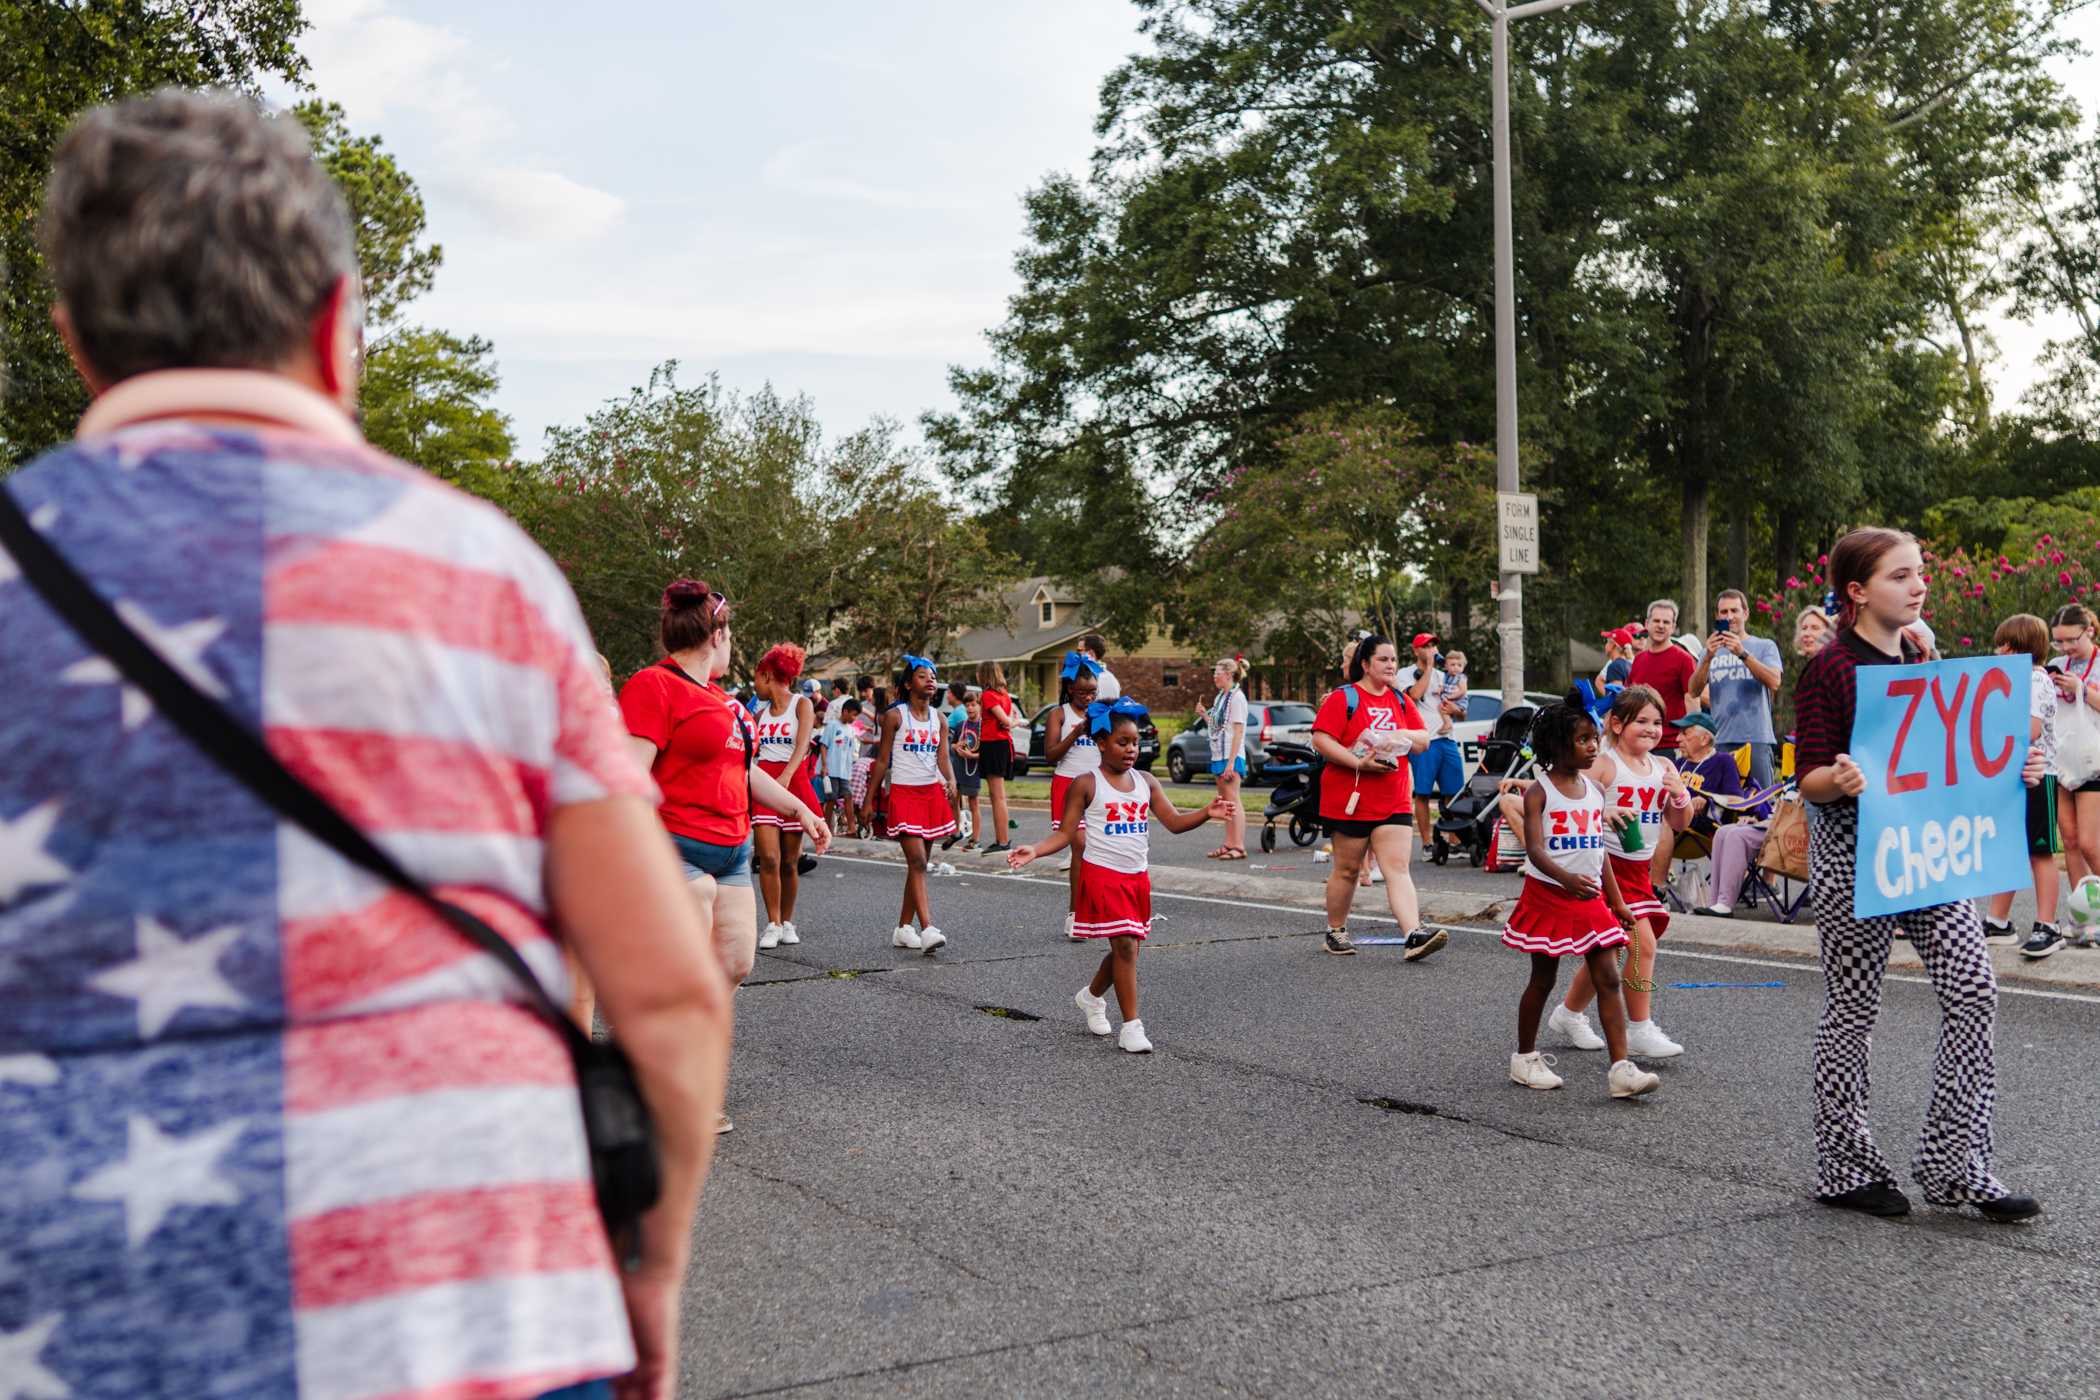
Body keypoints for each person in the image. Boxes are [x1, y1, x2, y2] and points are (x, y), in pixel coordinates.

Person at [0, 90, 732, 1400]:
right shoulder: (488, 575)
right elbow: (669, 995)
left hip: (77, 1317)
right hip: (473, 1303)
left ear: (75, 340)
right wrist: (645, 1272)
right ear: (338, 326)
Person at [1794, 526, 2041, 1222]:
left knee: (1975, 990)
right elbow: (1807, 776)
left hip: (1931, 852)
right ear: (1857, 591)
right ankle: (1845, 1167)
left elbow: (1953, 761)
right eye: (1900, 575)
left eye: (1919, 573)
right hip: (1854, 854)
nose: (1918, 584)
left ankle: (1956, 1165)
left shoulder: (1922, 656)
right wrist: (1836, 779)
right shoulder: (1831, 668)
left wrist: (2012, 769)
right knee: (1853, 1009)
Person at [622, 583, 830, 1135]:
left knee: (735, 962)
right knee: (691, 950)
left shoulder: (730, 705)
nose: (732, 643)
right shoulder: (653, 686)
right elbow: (628, 773)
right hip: (673, 845)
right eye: (730, 632)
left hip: (732, 850)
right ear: (715, 636)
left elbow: (747, 773)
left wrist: (801, 811)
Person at [1009, 700, 1234, 1052]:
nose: (1132, 749)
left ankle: (1091, 995)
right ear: (1101, 743)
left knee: (1126, 951)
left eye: (1136, 742)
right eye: (1122, 742)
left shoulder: (1146, 781)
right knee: (1126, 946)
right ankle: (1132, 1026)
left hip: (1136, 877)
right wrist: (1035, 850)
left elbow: (1174, 823)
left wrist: (1207, 811)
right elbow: (1067, 834)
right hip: (1102, 875)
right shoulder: (1086, 783)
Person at [1502, 695, 1662, 1100]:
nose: (1593, 746)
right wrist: (1565, 878)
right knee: (1543, 978)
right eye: (1583, 740)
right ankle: (1524, 1057)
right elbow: (1535, 849)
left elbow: (1600, 851)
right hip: (1550, 894)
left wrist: (1618, 901)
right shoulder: (1539, 792)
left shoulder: (1593, 788)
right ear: (1556, 746)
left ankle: (1621, 1068)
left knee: (1608, 976)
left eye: (1594, 738)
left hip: (1590, 897)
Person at [1548, 687, 1693, 1060]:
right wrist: (1603, 815)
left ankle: (1568, 1014)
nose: (1651, 729)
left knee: (1609, 951)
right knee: (1641, 943)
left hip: (1638, 869)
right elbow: (1570, 805)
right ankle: (1641, 1028)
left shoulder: (1664, 767)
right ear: (1615, 723)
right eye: (1641, 721)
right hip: (1606, 868)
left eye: (1657, 722)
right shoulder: (1606, 764)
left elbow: (1678, 822)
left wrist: (1680, 797)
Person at [1308, 634, 1446, 958]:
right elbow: (1320, 740)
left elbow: (1423, 739)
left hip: (1394, 796)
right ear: (1366, 664)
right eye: (1383, 659)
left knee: (1398, 867)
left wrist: (1396, 735)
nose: (1391, 665)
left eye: (1394, 660)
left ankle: (1413, 934)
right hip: (1351, 797)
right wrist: (1359, 762)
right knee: (1347, 870)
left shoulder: (1399, 700)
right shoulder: (1344, 698)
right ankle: (1336, 930)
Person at [1976, 616, 2064, 956]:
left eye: (2004, 645)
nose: (1998, 651)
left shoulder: (2034, 680)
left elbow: (2029, 729)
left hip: (2038, 774)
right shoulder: (2012, 680)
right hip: (2013, 774)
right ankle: (1998, 921)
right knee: (2009, 847)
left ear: (2017, 648)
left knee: (2040, 851)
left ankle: (2048, 924)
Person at [869, 656, 960, 952]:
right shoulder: (896, 716)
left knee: (916, 866)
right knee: (919, 862)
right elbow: (882, 760)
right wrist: (868, 800)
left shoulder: (940, 719)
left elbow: (943, 758)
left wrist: (952, 781)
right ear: (909, 684)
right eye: (923, 676)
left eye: (933, 676)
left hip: (931, 794)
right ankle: (928, 928)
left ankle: (903, 928)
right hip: (904, 794)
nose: (930, 680)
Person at [751, 644, 824, 951]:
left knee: (790, 862)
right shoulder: (758, 713)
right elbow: (752, 753)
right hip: (765, 783)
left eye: (756, 678)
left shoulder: (802, 704)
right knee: (768, 858)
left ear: (768, 675)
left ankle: (788, 921)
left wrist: (786, 776)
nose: (755, 685)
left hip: (794, 782)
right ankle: (773, 922)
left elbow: (803, 745)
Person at [1690, 589, 1785, 790]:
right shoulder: (1709, 650)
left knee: (1760, 803)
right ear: (1717, 616)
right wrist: (1707, 657)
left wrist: (1742, 653)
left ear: (1746, 614)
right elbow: (1694, 691)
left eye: (1735, 610)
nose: (1729, 617)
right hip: (1720, 740)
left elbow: (1775, 681)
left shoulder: (1764, 646)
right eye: (1723, 612)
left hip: (1756, 738)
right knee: (1720, 805)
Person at [1045, 652, 1104, 931]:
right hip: (1068, 786)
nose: (1089, 698)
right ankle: (1075, 914)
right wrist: (1076, 733)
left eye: (1093, 692)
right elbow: (1050, 755)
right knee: (1080, 846)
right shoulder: (1059, 714)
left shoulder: (1101, 714)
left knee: (1096, 850)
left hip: (1097, 787)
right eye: (1083, 692)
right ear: (1070, 689)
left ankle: (1091, 908)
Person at [2048, 603, 2100, 906]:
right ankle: (2085, 909)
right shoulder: (2058, 663)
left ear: (2089, 631)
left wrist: (2081, 689)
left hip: (2092, 758)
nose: (2066, 648)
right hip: (2063, 757)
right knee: (2068, 839)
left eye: (2072, 640)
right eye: (2060, 641)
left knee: (2090, 843)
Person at [1402, 634, 1467, 855]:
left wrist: (1455, 710)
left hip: (1447, 740)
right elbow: (1414, 695)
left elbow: (1463, 713)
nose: (1431, 649)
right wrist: (1429, 667)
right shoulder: (1405, 674)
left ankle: (1454, 840)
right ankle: (1428, 843)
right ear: (1416, 650)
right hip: (1423, 740)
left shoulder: (1446, 675)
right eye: (1426, 646)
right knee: (1423, 793)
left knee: (1454, 792)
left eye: (1434, 645)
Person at [1628, 599, 1696, 751]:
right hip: (1639, 744)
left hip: (1671, 745)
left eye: (1666, 622)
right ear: (1647, 624)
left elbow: (1692, 700)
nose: (1660, 625)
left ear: (1673, 627)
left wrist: (1691, 739)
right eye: (1656, 620)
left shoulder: (1684, 659)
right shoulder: (1639, 659)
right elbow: (1629, 700)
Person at [1205, 656, 1251, 861]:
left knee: (1233, 800)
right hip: (1218, 754)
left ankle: (1239, 846)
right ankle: (1228, 843)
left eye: (1218, 673)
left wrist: (1232, 762)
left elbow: (1238, 731)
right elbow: (1217, 726)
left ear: (1229, 675)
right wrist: (1204, 715)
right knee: (1224, 802)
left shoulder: (1237, 697)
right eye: (1214, 673)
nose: (1215, 676)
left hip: (1231, 756)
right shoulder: (1219, 697)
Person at [974, 660, 1021, 853]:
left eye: (978, 673)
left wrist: (1011, 723)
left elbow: (1006, 721)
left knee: (997, 796)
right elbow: (1008, 720)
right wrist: (1011, 722)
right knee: (997, 796)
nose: (977, 676)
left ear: (984, 675)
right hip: (1000, 744)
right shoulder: (1005, 696)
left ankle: (1002, 841)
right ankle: (1001, 839)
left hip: (993, 745)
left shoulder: (988, 695)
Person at [820, 697, 863, 833]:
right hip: (832, 769)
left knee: (848, 796)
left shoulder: (851, 730)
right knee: (831, 799)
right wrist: (825, 765)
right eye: (854, 714)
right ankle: (825, 827)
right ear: (845, 711)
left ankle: (852, 827)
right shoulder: (832, 725)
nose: (854, 718)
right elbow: (824, 746)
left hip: (844, 771)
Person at [954, 694, 985, 849]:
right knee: (954, 798)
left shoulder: (983, 726)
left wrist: (971, 755)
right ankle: (955, 831)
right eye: (967, 705)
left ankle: (975, 838)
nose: (970, 708)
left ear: (979, 706)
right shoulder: (961, 725)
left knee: (973, 802)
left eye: (973, 705)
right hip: (959, 767)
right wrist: (957, 746)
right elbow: (953, 744)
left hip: (973, 769)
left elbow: (987, 752)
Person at [1078, 633, 1122, 701]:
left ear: (1090, 653)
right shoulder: (1111, 677)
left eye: (1079, 651)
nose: (1076, 655)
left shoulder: (1099, 678)